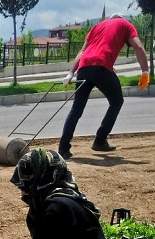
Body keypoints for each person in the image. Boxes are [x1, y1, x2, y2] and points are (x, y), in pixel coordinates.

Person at [59, 14, 149, 159]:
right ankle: (100, 140)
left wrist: (70, 73)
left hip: (84, 68)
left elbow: (82, 52)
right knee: (117, 101)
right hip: (101, 66)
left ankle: (63, 148)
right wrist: (145, 71)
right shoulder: (126, 25)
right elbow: (138, 46)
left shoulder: (97, 26)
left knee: (76, 109)